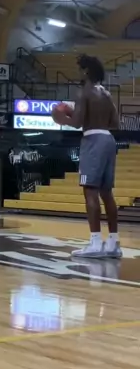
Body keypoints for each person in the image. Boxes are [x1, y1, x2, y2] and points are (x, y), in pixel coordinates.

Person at [59, 54, 121, 259]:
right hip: (109, 139)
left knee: (90, 192)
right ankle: (113, 243)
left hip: (93, 140)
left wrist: (63, 117)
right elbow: (115, 123)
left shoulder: (83, 93)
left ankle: (95, 243)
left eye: (80, 69)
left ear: (86, 71)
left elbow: (77, 122)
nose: (78, 73)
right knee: (107, 193)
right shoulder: (106, 94)